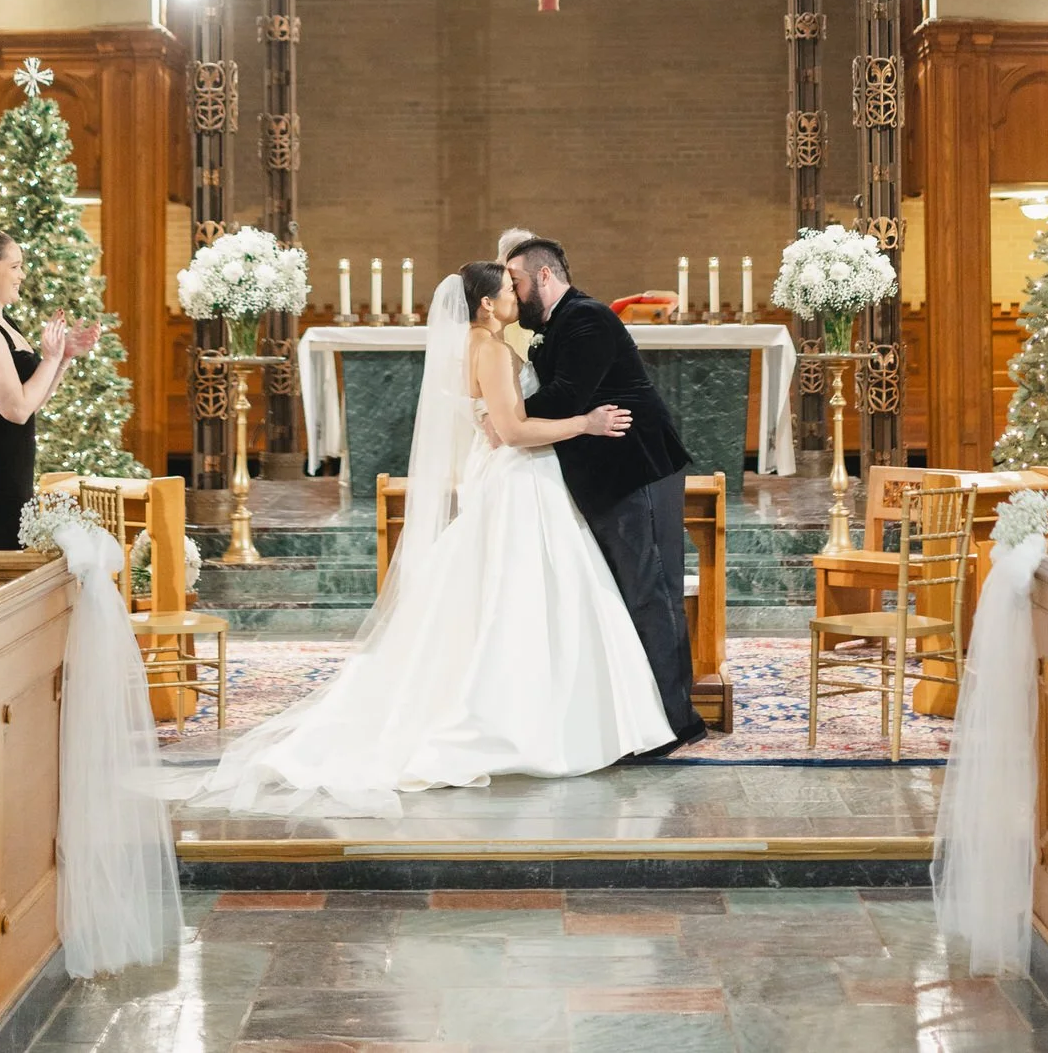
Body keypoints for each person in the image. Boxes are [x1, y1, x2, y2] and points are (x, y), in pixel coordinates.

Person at [181, 262, 673, 816]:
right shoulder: (487, 347)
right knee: (524, 598)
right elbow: (512, 432)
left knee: (515, 598)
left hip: (511, 477)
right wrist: (585, 424)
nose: (517, 295)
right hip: (517, 480)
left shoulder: (476, 343)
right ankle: (521, 724)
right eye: (509, 289)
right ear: (487, 303)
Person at [507, 236, 703, 747]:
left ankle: (678, 721)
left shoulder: (586, 318)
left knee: (651, 592)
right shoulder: (555, 326)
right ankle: (640, 718)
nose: (514, 291)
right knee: (626, 594)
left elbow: (567, 396)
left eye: (518, 281)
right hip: (607, 475)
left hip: (636, 469)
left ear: (544, 276)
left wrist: (507, 418)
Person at [0, 226, 100, 549]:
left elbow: (32, 400)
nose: (22, 275)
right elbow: (16, 410)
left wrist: (63, 357)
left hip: (5, 464)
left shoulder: (1, 324)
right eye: (14, 266)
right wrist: (50, 358)